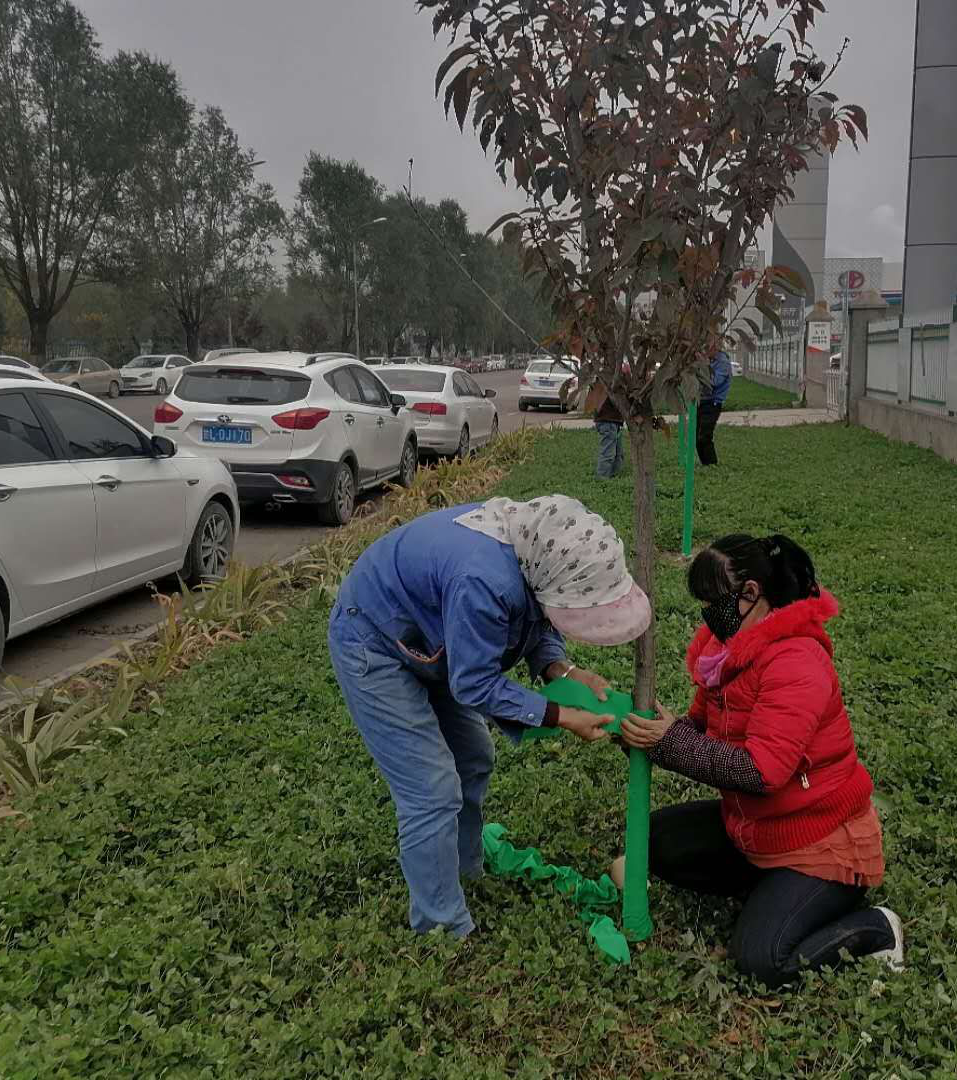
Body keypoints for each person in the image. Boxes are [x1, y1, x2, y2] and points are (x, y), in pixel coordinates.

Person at [329, 494, 651, 937]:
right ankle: (441, 926)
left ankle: (463, 869)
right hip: (373, 641)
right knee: (432, 788)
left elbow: (537, 619)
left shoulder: (536, 551)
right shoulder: (483, 578)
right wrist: (560, 715)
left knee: (474, 756)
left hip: (431, 637)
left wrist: (563, 669)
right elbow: (474, 683)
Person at [620, 534, 903, 988]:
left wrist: (669, 744)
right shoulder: (727, 652)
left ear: (751, 593)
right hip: (756, 829)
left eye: (714, 601)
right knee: (653, 839)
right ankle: (774, 893)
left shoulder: (796, 661)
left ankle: (874, 928)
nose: (708, 614)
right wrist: (650, 731)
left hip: (819, 842)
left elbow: (760, 771)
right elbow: (700, 731)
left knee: (762, 959)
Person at [695, 348, 732, 466]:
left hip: (712, 403)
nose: (704, 349)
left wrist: (704, 365)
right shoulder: (706, 359)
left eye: (707, 345)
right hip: (701, 401)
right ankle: (705, 465)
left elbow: (714, 382)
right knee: (696, 438)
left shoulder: (722, 362)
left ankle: (712, 465)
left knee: (704, 436)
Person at [585, 380, 626, 479]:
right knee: (608, 453)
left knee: (618, 453)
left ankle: (615, 476)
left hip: (613, 421)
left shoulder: (602, 379)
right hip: (608, 420)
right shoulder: (607, 380)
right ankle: (602, 478)